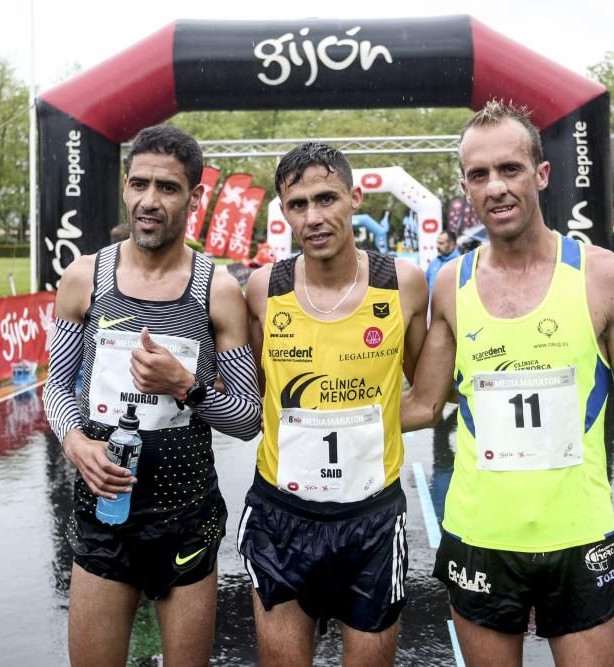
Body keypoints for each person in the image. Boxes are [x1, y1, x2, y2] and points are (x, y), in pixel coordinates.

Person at [401, 100, 614, 666]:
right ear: (465, 189)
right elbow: (423, 404)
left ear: (541, 174)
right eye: (479, 175)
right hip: (480, 538)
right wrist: (301, 400)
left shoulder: (606, 278)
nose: (496, 187)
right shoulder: (453, 283)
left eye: (510, 169)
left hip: (582, 540)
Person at [42, 124, 262, 667]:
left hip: (186, 515)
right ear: (125, 186)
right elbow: (55, 386)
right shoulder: (84, 278)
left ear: (194, 196)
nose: (149, 200)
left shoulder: (218, 289)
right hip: (104, 515)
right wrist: (75, 444)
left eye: (167, 188)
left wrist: (183, 386)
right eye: (139, 184)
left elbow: (247, 418)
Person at [237, 142, 429, 665]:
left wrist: (366, 423)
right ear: (283, 212)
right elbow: (249, 397)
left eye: (327, 199)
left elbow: (429, 399)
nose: (314, 217)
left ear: (354, 198)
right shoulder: (262, 289)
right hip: (281, 515)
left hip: (370, 517)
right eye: (298, 205)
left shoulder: (403, 284)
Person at [426, 229, 460, 295]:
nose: (437, 246)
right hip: (432, 304)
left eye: (441, 243)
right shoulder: (434, 263)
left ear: (452, 244)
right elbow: (425, 285)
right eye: (437, 243)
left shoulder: (461, 263)